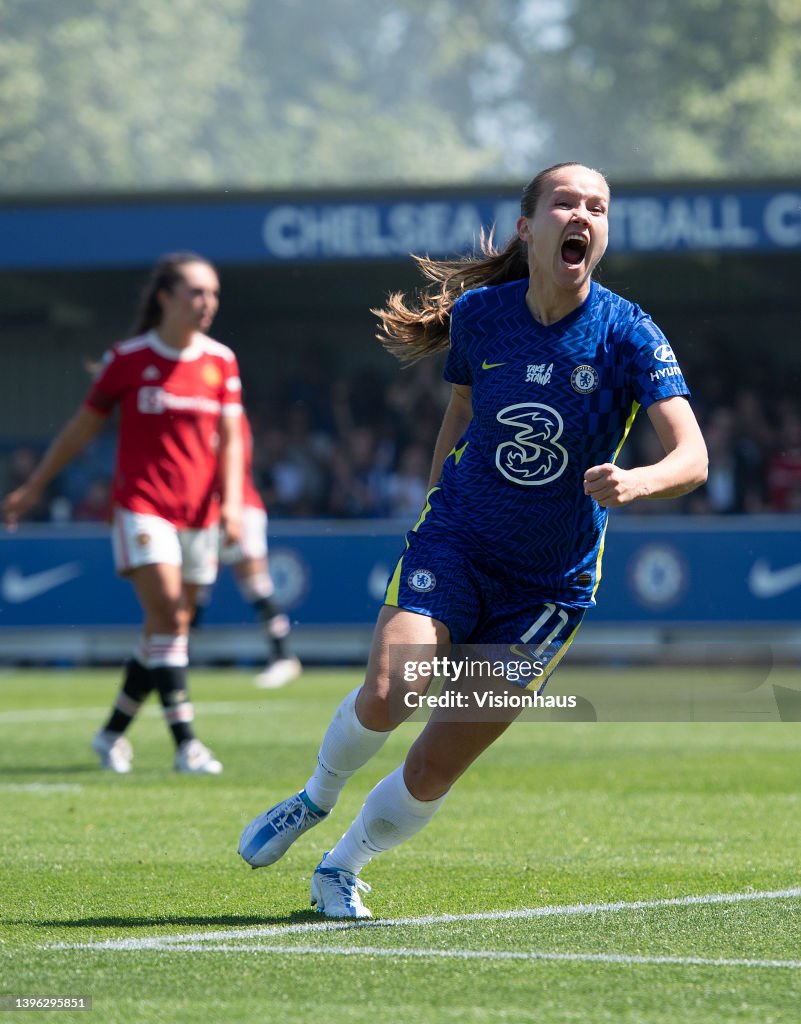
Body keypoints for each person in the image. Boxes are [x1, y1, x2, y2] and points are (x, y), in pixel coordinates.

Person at [237, 162, 708, 917]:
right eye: (565, 202)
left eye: (598, 207)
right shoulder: (483, 315)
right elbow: (460, 410)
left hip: (546, 590)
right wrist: (434, 503)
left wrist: (638, 481)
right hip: (454, 543)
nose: (581, 214)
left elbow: (693, 455)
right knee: (393, 692)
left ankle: (342, 864)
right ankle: (313, 798)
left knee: (434, 765)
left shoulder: (628, 332)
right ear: (529, 227)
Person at [2, 251, 243, 775]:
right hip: (142, 507)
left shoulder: (220, 361)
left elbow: (230, 441)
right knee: (169, 613)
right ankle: (188, 745)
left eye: (213, 294)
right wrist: (33, 487)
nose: (208, 304)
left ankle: (111, 734)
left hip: (200, 515)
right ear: (165, 297)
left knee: (170, 626)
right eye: (197, 293)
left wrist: (234, 503)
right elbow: (81, 428)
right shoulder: (128, 359)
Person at [195, 411, 302, 689]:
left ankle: (283, 656)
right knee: (194, 588)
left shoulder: (228, 415)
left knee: (256, 585)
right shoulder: (204, 413)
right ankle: (173, 658)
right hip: (207, 510)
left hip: (237, 508)